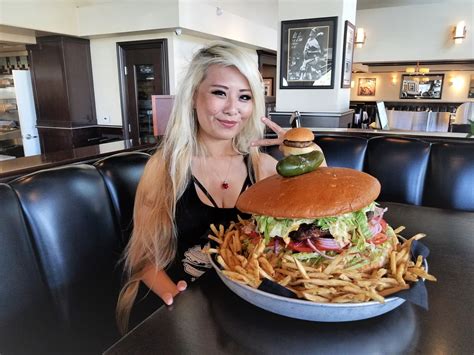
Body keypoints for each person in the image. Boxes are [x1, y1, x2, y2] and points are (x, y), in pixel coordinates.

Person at [116, 42, 288, 333]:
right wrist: (177, 300)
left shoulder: (266, 169)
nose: (233, 109)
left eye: (244, 97)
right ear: (194, 96)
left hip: (242, 309)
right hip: (171, 301)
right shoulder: (166, 168)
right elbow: (143, 258)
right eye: (220, 93)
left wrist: (306, 158)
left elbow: (322, 230)